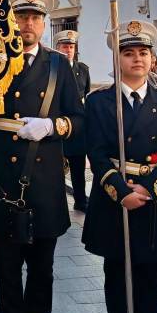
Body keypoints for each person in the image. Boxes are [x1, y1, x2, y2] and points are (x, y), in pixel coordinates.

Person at [0, 0, 84, 313]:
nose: (28, 24)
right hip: (2, 180)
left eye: (35, 17)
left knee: (42, 269)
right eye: (22, 16)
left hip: (43, 181)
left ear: (44, 24)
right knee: (6, 270)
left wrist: (53, 126)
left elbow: (79, 118)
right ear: (11, 20)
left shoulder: (59, 65)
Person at [82, 20, 157, 313]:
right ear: (117, 59)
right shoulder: (99, 102)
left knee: (151, 281)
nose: (137, 59)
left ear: (153, 59)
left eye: (143, 52)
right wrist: (120, 190)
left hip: (154, 202)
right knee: (118, 281)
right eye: (128, 53)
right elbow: (95, 152)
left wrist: (148, 189)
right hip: (117, 202)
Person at [54, 30, 91, 212]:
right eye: (65, 46)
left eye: (71, 46)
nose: (68, 50)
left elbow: (86, 96)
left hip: (76, 126)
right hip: (58, 123)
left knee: (78, 166)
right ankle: (57, 201)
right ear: (57, 48)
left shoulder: (83, 69)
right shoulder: (52, 69)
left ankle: (80, 200)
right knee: (56, 167)